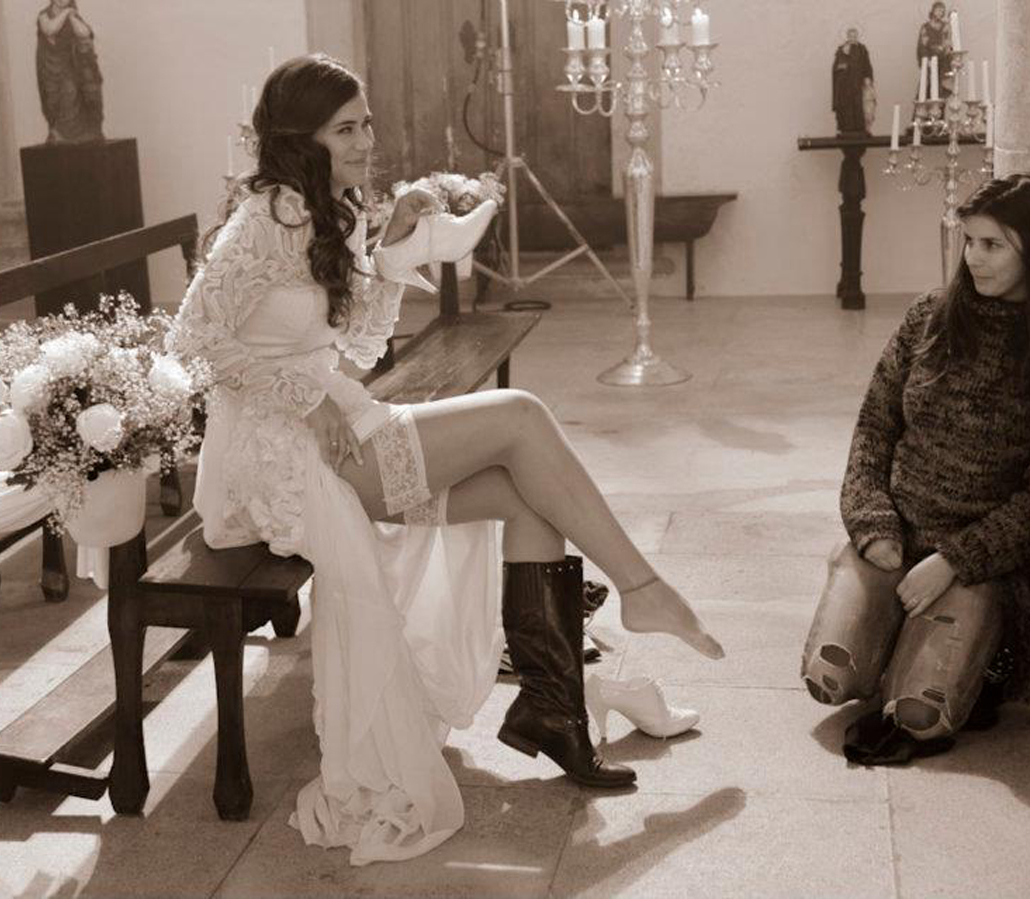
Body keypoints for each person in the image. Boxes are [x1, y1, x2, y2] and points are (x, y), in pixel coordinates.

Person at [168, 54, 722, 865]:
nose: (367, 141)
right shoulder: (262, 220)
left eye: (366, 123)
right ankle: (643, 589)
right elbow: (190, 342)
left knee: (523, 497)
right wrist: (308, 399)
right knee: (521, 416)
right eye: (346, 129)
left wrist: (392, 250)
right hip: (277, 455)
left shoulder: (329, 211)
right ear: (300, 139)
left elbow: (360, 343)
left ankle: (554, 709)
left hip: (335, 423)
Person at [802, 172, 1030, 765]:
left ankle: (940, 643)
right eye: (969, 240)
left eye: (992, 244)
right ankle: (881, 614)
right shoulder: (929, 316)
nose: (973, 257)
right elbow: (874, 429)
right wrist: (873, 527)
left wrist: (954, 561)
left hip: (982, 567)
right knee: (830, 679)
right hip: (894, 543)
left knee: (918, 718)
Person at [36, 0, 103, 143]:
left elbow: (84, 33)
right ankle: (60, 133)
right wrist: (66, 12)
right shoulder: (44, 15)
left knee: (72, 92)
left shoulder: (73, 15)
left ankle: (78, 133)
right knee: (56, 99)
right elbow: (49, 29)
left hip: (70, 66)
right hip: (51, 69)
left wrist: (72, 16)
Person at [832, 27, 874, 135]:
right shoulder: (842, 49)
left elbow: (867, 64)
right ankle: (846, 127)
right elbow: (836, 67)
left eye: (854, 36)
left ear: (857, 36)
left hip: (858, 82)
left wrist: (868, 77)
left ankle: (860, 127)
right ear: (847, 37)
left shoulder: (862, 49)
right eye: (850, 36)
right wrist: (842, 67)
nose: (853, 38)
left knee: (859, 104)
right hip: (845, 84)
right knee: (846, 105)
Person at [916, 2, 953, 102]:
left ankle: (939, 109)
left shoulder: (945, 27)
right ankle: (923, 109)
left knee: (940, 90)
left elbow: (948, 44)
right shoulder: (926, 27)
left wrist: (945, 48)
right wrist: (926, 60)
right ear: (933, 11)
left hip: (942, 62)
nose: (940, 13)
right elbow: (922, 46)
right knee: (926, 88)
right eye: (938, 10)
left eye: (942, 11)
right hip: (929, 62)